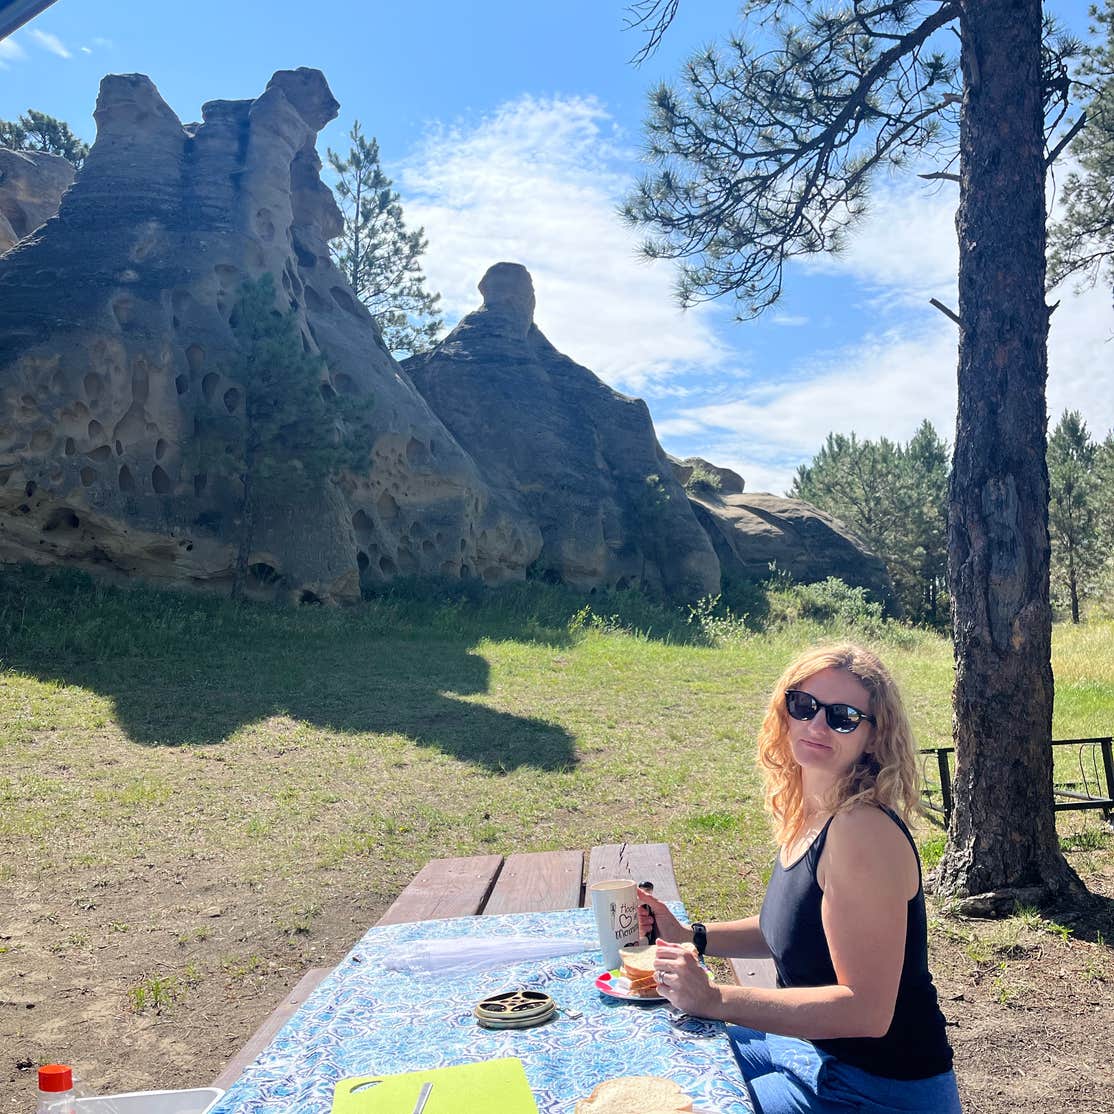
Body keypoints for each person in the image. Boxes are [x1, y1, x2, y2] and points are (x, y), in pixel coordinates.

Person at [637, 643, 961, 1113]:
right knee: (658, 1060)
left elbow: (867, 1011)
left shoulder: (860, 832)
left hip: (870, 1089)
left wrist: (714, 998)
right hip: (806, 1052)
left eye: (843, 716)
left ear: (874, 736)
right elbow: (795, 929)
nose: (816, 724)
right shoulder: (815, 812)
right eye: (804, 705)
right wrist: (693, 936)